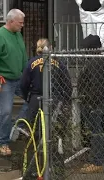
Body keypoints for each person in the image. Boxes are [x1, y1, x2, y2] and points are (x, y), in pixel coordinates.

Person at [20, 38, 73, 179]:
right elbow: (67, 85)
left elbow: (23, 85)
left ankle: (34, 170)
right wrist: (64, 100)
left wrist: (28, 99)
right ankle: (57, 170)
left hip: (35, 101)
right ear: (50, 49)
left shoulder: (31, 63)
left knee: (34, 136)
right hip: (54, 100)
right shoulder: (58, 64)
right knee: (54, 136)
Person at [0, 9, 29, 155]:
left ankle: (18, 127)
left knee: (35, 97)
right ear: (11, 21)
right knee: (5, 111)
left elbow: (23, 55)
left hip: (19, 78)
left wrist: (27, 74)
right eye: (20, 22)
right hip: (4, 80)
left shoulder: (18, 35)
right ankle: (3, 143)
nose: (22, 25)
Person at [77, 34, 104, 173]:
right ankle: (94, 159)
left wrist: (89, 102)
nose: (84, 51)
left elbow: (96, 86)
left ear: (92, 48)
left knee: (96, 132)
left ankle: (98, 161)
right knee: (94, 131)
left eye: (85, 48)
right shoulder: (95, 60)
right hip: (91, 102)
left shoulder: (96, 62)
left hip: (94, 104)